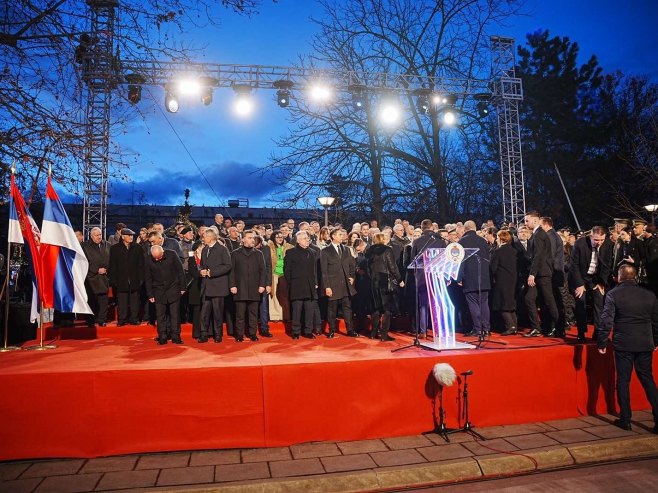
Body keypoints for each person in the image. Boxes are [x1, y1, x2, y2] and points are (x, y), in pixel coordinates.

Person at [597, 264, 658, 432]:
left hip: (624, 343)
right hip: (645, 342)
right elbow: (656, 322)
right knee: (648, 380)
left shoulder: (613, 294)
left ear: (619, 276)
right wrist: (655, 341)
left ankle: (626, 419)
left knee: (623, 381)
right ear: (635, 276)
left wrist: (602, 342)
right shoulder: (649, 295)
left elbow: (606, 320)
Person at [569, 226, 613, 343]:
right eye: (596, 240)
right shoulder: (580, 243)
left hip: (595, 278)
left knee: (599, 302)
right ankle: (581, 333)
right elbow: (574, 266)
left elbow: (607, 265)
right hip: (581, 277)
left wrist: (601, 282)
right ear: (591, 236)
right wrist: (580, 284)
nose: (599, 243)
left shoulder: (608, 244)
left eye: (601, 240)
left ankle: (598, 333)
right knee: (581, 302)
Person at [522, 212, 559, 338]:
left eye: (527, 221)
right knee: (529, 299)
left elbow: (538, 255)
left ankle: (558, 326)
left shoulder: (539, 235)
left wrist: (532, 274)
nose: (526, 223)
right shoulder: (537, 234)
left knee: (549, 300)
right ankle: (536, 328)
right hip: (539, 273)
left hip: (542, 274)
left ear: (535, 220)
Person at [145, 245, 186, 344]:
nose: (157, 259)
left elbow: (180, 271)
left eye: (158, 257)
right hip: (158, 291)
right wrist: (150, 295)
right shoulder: (148, 259)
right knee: (160, 315)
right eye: (155, 258)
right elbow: (148, 278)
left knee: (175, 314)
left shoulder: (172, 254)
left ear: (162, 252)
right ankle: (162, 336)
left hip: (173, 288)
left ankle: (176, 336)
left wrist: (183, 287)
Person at [321, 227, 358, 338]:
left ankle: (350, 330)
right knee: (332, 309)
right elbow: (324, 271)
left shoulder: (346, 249)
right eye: (340, 234)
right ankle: (332, 330)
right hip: (333, 284)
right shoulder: (325, 251)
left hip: (346, 285)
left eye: (342, 234)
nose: (342, 236)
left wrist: (352, 277)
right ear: (333, 236)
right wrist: (327, 286)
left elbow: (352, 265)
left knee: (347, 308)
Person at [366, 233, 404, 341]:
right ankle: (384, 335)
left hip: (373, 282)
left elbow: (367, 268)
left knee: (376, 308)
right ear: (382, 239)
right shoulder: (388, 250)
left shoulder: (369, 251)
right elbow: (392, 267)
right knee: (387, 309)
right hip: (385, 281)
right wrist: (400, 279)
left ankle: (373, 333)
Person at [229, 230, 266, 342]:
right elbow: (231, 271)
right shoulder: (235, 253)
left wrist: (262, 285)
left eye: (253, 238)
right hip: (240, 288)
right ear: (243, 239)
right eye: (249, 237)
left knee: (253, 314)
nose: (252, 240)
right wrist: (232, 285)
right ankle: (239, 335)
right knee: (240, 314)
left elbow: (263, 271)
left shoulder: (259, 254)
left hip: (255, 288)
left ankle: (252, 334)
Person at [458, 220, 491, 337]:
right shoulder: (483, 241)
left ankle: (477, 329)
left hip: (470, 277)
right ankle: (486, 329)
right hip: (484, 276)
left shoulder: (462, 241)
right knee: (484, 303)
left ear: (465, 229)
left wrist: (459, 277)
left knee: (473, 303)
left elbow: (460, 262)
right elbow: (488, 259)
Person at [284, 231, 318, 339]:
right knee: (297, 310)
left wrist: (316, 282)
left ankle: (308, 331)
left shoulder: (312, 252)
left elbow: (315, 270)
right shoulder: (290, 252)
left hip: (310, 285)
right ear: (298, 241)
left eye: (307, 238)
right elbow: (287, 270)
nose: (307, 240)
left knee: (309, 310)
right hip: (297, 285)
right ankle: (295, 332)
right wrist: (292, 282)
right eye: (304, 238)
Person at [199, 228, 232, 343]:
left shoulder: (222, 249)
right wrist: (202, 271)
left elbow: (228, 265)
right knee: (204, 312)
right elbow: (202, 265)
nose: (202, 239)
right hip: (206, 286)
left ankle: (218, 334)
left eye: (204, 236)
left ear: (210, 237)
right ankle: (204, 334)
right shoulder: (204, 250)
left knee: (218, 312)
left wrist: (211, 272)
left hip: (218, 286)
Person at [108, 228, 144, 326]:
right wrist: (114, 280)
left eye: (132, 235)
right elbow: (112, 265)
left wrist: (141, 279)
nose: (131, 237)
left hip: (135, 279)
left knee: (135, 301)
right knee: (122, 301)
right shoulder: (114, 248)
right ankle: (122, 319)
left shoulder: (138, 248)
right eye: (129, 235)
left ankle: (134, 319)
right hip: (121, 280)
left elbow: (141, 264)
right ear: (123, 236)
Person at [81, 227, 111, 327]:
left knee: (103, 300)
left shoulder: (107, 245)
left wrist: (107, 270)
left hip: (104, 277)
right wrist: (96, 270)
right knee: (91, 300)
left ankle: (102, 320)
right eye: (96, 235)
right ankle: (90, 321)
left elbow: (112, 260)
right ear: (91, 236)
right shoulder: (84, 246)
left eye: (100, 235)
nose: (99, 237)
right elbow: (83, 262)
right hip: (91, 278)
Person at [490, 230, 518, 335]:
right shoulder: (513, 251)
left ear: (501, 239)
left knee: (502, 304)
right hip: (512, 279)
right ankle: (514, 326)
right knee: (510, 303)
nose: (496, 239)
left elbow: (493, 267)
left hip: (502, 280)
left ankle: (510, 326)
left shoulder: (498, 251)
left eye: (497, 237)